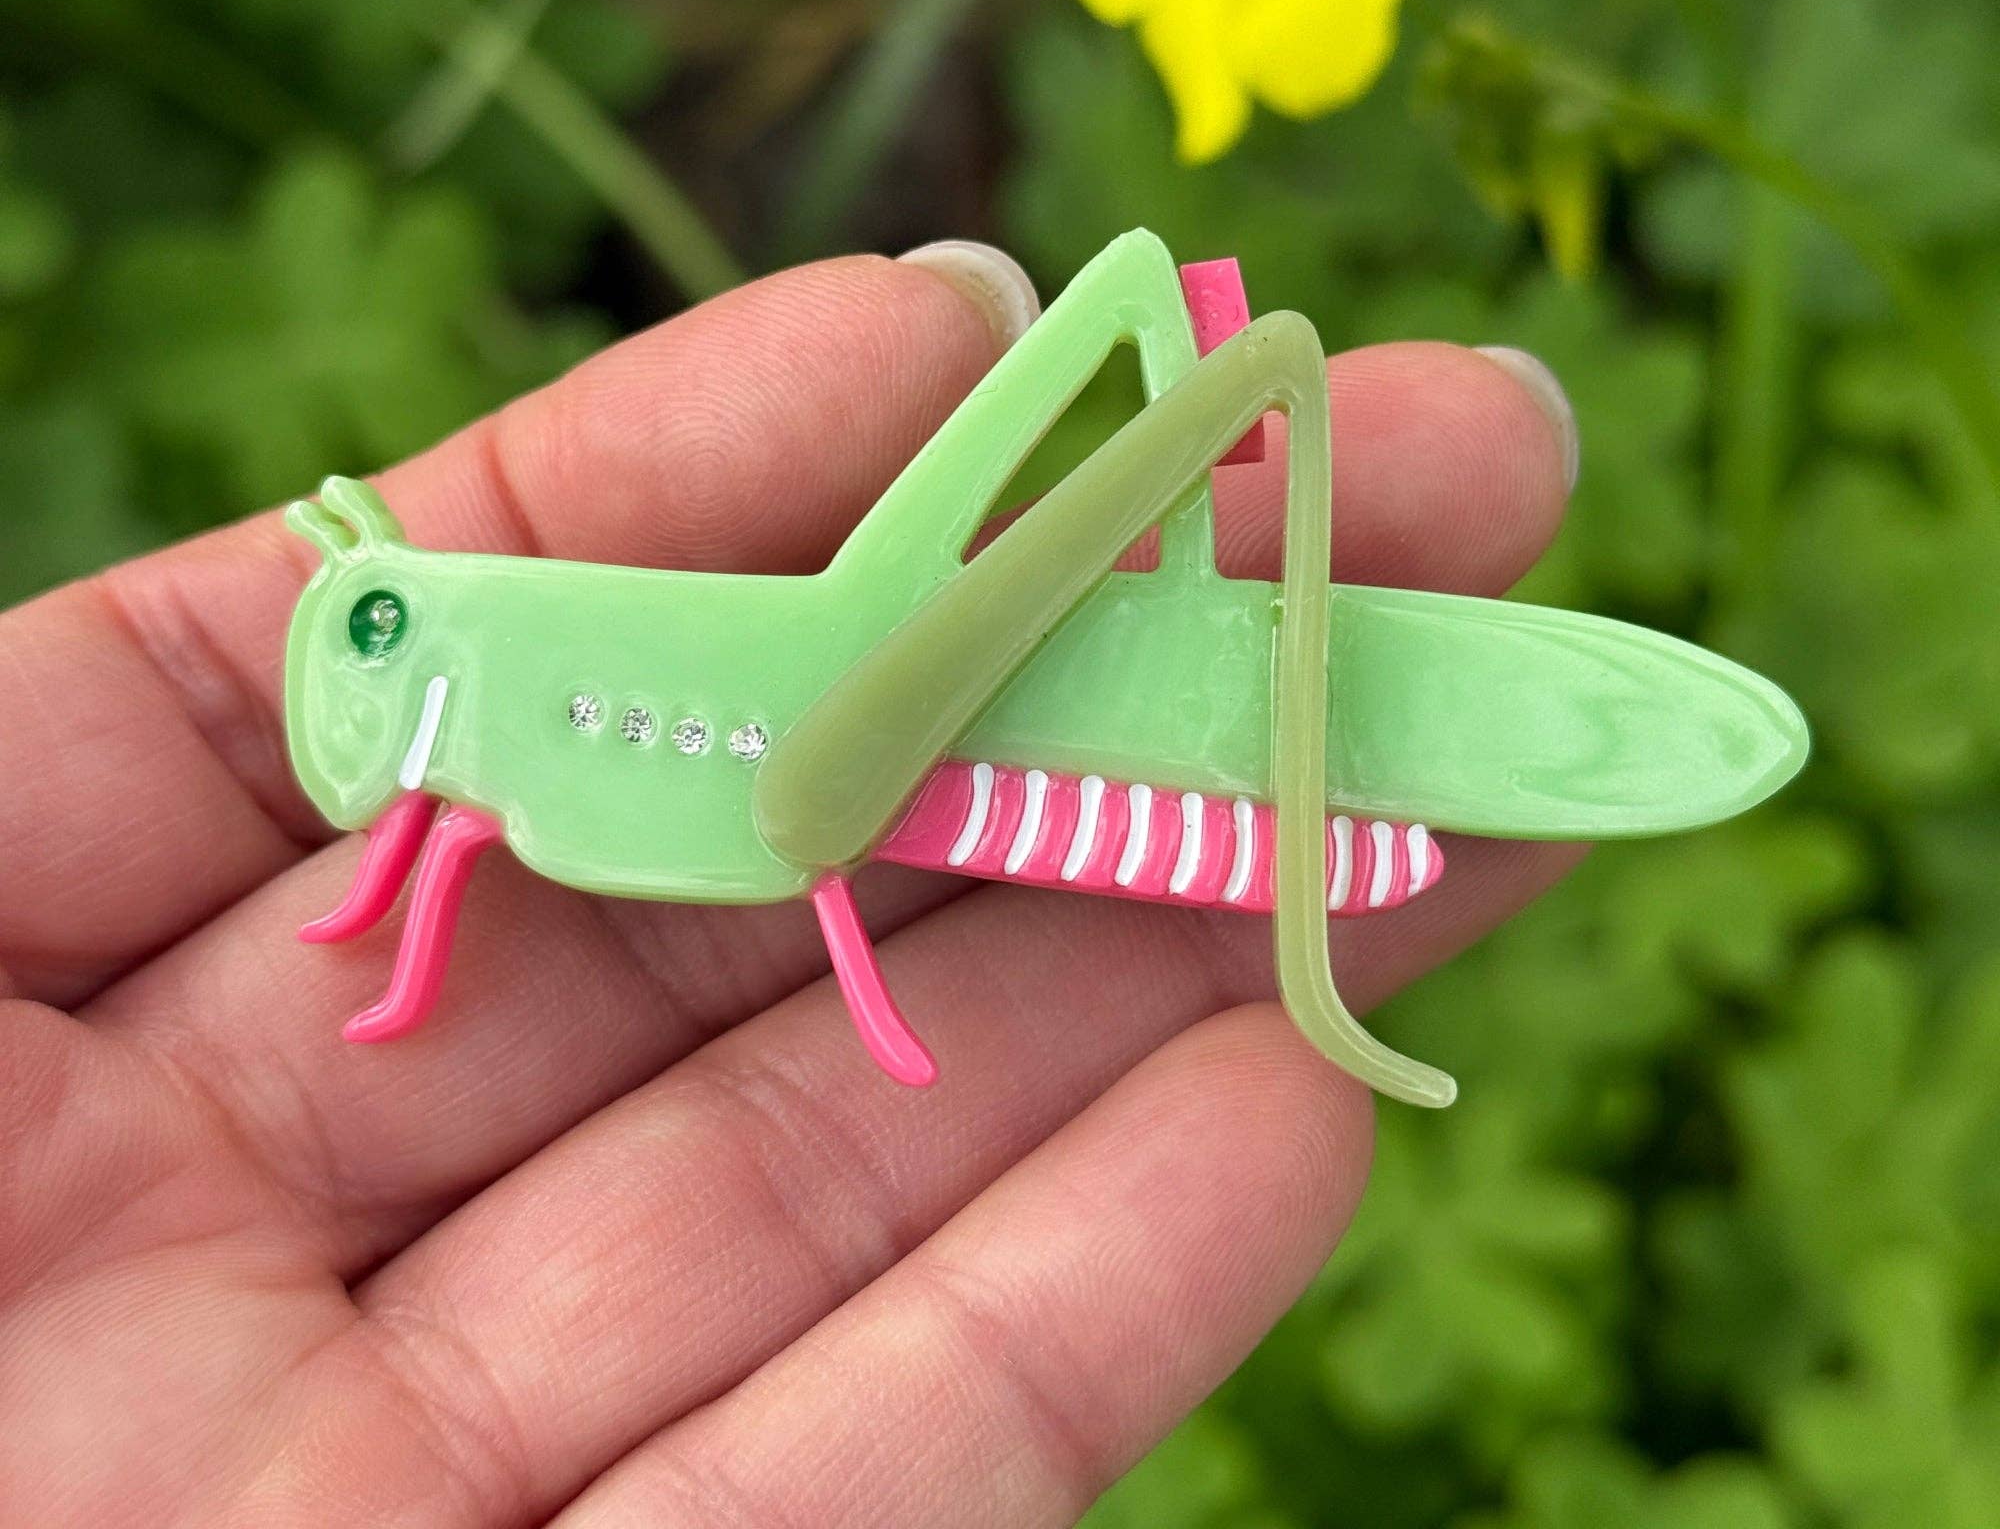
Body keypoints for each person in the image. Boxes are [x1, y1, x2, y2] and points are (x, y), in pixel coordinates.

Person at [0, 240, 1578, 1526]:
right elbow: (498, 830)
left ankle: (1293, 909)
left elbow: (738, 820)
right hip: (875, 759)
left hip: (1059, 738)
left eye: (379, 621)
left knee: (1161, 318)